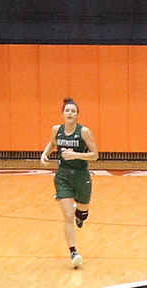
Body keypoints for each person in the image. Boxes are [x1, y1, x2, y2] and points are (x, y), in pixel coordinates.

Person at [40, 98, 97, 269]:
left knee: (83, 210)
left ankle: (81, 215)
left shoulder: (84, 132)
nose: (70, 113)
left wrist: (77, 155)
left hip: (80, 175)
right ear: (63, 113)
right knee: (68, 216)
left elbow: (95, 155)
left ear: (77, 115)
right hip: (62, 175)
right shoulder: (57, 130)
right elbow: (52, 143)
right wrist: (45, 154)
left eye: (73, 111)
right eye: (67, 111)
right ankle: (73, 251)